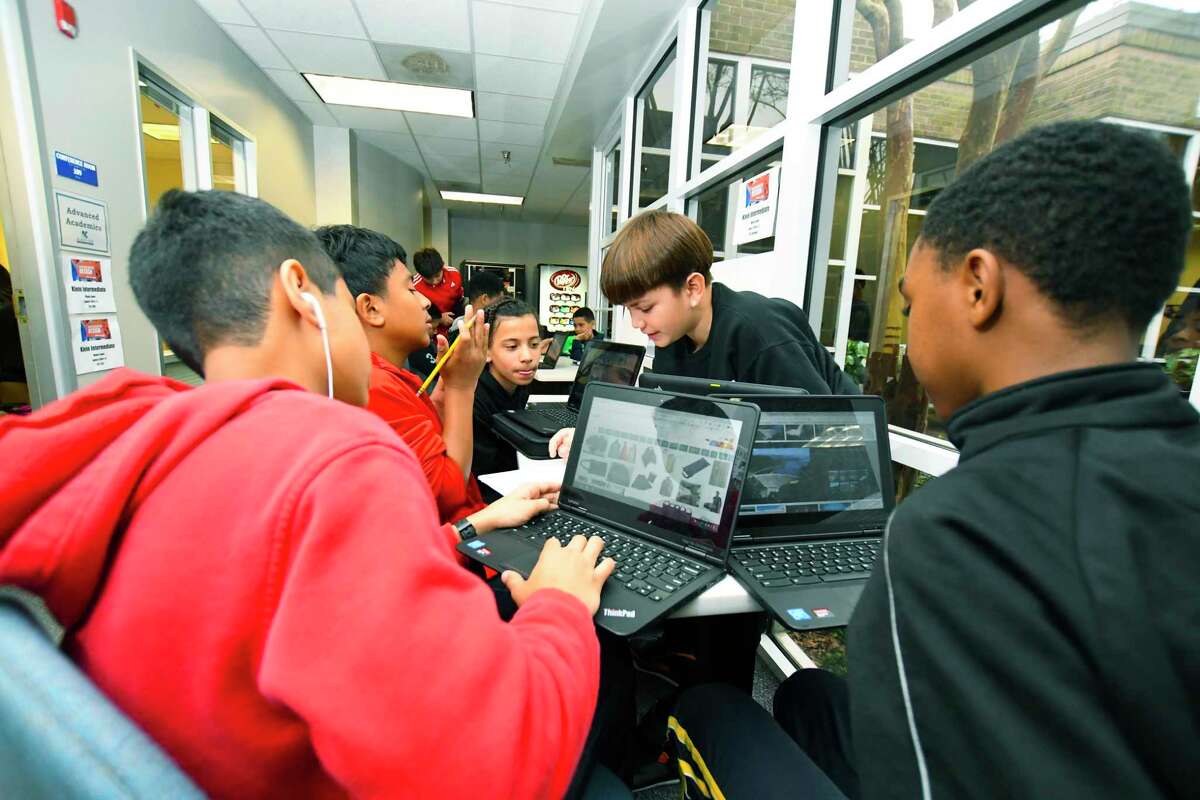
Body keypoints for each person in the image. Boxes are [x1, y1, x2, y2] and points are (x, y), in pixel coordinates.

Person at [0, 190, 618, 799]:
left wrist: (465, 529)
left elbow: (280, 580)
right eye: (351, 307)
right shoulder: (332, 453)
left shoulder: (153, 446)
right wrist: (559, 605)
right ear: (301, 292)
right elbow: (498, 770)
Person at [669, 121, 1200, 799]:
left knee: (707, 708)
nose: (911, 333)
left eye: (912, 303)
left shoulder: (954, 538)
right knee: (805, 694)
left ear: (978, 286)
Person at [315, 224, 490, 525]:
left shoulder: (384, 375)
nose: (424, 301)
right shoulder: (372, 385)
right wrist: (462, 388)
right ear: (370, 308)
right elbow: (447, 493)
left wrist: (441, 396)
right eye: (410, 289)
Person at [600, 209, 857, 394]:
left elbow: (815, 431)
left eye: (645, 308)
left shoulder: (760, 332)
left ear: (693, 288)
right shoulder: (672, 335)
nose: (637, 323)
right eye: (629, 310)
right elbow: (673, 419)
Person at [473, 299, 541, 481]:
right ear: (486, 351)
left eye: (534, 344)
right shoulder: (474, 400)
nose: (527, 357)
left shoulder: (519, 382)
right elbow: (483, 477)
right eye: (512, 347)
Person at [412, 247, 463, 337]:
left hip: (453, 328)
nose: (435, 281)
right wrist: (439, 319)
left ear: (442, 266)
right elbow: (414, 317)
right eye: (429, 278)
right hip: (429, 333)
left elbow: (459, 300)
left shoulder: (454, 274)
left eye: (437, 275)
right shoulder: (414, 286)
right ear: (420, 273)